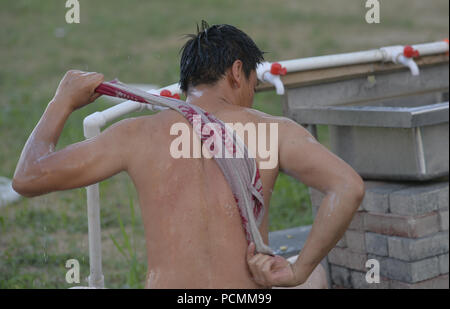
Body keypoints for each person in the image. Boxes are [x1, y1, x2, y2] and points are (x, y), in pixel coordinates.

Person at [12, 22, 365, 289]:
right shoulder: (274, 131)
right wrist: (297, 269)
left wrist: (62, 101)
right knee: (315, 275)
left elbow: (28, 177)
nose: (252, 99)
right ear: (237, 72)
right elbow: (348, 187)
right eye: (254, 87)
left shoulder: (137, 134)